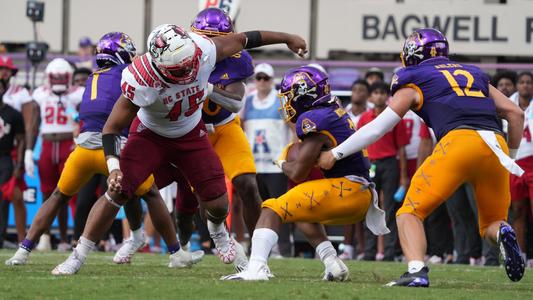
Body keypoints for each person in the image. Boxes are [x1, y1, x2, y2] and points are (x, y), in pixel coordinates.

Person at [50, 24, 307, 275]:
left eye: (189, 62)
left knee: (218, 203)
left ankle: (218, 231)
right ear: (158, 63)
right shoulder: (141, 77)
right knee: (117, 192)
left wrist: (287, 37)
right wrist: (113, 167)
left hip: (191, 134)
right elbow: (111, 128)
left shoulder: (202, 49)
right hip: (150, 136)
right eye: (179, 67)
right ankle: (77, 256)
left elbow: (245, 39)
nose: (188, 70)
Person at [318, 28, 525, 286]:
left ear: (413, 53)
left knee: (409, 212)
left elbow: (379, 126)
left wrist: (336, 153)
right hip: (496, 145)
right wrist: (509, 158)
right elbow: (515, 114)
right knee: (492, 224)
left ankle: (416, 271)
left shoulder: (415, 77)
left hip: (458, 141)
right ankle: (504, 231)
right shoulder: (473, 73)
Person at [5, 33, 186, 269]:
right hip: (109, 148)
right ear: (120, 52)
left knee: (58, 196)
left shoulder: (93, 76)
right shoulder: (126, 73)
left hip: (81, 149)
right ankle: (175, 252)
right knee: (150, 193)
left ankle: (23, 250)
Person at [115, 9, 263, 267]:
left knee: (247, 184)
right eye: (202, 36)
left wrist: (206, 88)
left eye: (214, 38)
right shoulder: (175, 57)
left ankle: (260, 249)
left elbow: (236, 103)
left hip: (223, 127)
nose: (207, 43)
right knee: (180, 205)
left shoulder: (228, 57)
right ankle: (175, 248)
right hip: (185, 133)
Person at [221, 66, 388, 281]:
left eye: (290, 96)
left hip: (349, 190)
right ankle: (332, 263)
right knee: (298, 212)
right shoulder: (333, 112)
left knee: (271, 208)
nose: (287, 102)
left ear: (303, 95)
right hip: (359, 194)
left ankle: (256, 268)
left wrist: (282, 163)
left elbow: (298, 172)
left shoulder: (314, 119)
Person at [28, 58, 84, 251]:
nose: (59, 81)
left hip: (69, 144)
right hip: (47, 143)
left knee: (69, 192)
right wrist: (29, 150)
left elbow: (84, 119)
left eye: (62, 77)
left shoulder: (78, 94)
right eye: (56, 77)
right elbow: (34, 124)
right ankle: (45, 235)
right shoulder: (40, 94)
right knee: (47, 193)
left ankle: (66, 238)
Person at [241, 63, 294, 256]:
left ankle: (284, 249)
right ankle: (258, 248)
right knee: (255, 208)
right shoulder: (247, 101)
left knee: (280, 208)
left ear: (272, 81)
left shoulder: (280, 101)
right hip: (254, 165)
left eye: (266, 78)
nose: (262, 82)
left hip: (275, 166)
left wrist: (291, 156)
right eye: (259, 78)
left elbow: (292, 128)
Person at [358, 82, 409, 261]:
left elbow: (401, 149)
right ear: (370, 97)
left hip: (389, 164)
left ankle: (389, 252)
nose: (379, 96)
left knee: (389, 208)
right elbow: (359, 144)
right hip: (370, 164)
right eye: (376, 93)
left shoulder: (394, 117)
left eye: (382, 93)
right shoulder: (364, 118)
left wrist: (403, 176)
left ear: (387, 97)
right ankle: (369, 251)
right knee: (369, 206)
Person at [0, 55, 35, 243]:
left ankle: (22, 238)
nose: (4, 72)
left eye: (7, 69)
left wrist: (27, 152)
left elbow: (28, 124)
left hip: (13, 149)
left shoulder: (19, 92)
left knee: (15, 195)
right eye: (1, 68)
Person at [339, 79, 370, 260]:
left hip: (366, 161)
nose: (358, 93)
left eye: (362, 90)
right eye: (355, 89)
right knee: (348, 206)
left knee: (365, 207)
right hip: (348, 161)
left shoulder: (373, 114)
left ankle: (364, 249)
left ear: (367, 94)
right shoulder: (344, 113)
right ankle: (349, 247)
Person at [509, 71, 533, 265]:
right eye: (522, 82)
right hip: (514, 162)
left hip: (532, 161)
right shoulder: (507, 103)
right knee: (517, 210)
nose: (525, 85)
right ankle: (521, 255)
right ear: (517, 85)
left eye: (529, 83)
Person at [0, 75, 25, 248]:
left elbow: (21, 139)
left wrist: (19, 164)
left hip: (5, 158)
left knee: (4, 198)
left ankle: (1, 236)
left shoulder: (13, 114)